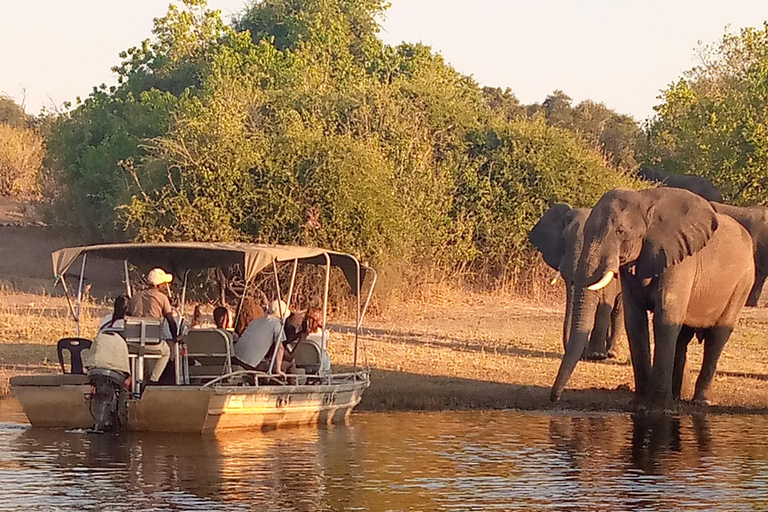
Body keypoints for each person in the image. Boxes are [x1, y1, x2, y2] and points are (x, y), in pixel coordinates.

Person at [127, 268, 176, 384]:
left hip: (133, 343)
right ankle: (154, 380)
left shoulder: (135, 297)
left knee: (138, 354)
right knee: (166, 352)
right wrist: (175, 337)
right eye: (164, 284)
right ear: (159, 285)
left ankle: (135, 380)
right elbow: (170, 320)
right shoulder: (162, 298)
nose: (166, 287)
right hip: (153, 343)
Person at [233, 297, 286, 375]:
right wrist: (278, 369)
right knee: (288, 365)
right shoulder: (277, 325)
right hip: (251, 364)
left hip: (236, 356)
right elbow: (280, 348)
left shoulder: (255, 321)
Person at [301, 307, 331, 374]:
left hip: (302, 362)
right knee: (326, 357)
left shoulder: (300, 333)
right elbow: (325, 348)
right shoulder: (324, 333)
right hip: (319, 362)